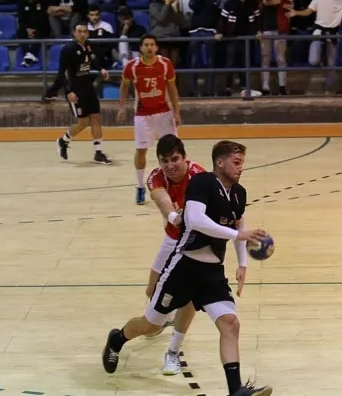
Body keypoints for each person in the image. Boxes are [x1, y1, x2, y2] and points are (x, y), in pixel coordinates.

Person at [101, 141, 272, 396]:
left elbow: (239, 225)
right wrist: (238, 235)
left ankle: (236, 391)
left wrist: (243, 264)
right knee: (150, 325)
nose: (241, 168)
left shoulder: (238, 193)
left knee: (230, 324)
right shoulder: (202, 182)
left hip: (212, 273)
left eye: (242, 163)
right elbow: (196, 220)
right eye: (236, 163)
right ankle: (117, 339)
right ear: (220, 162)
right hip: (183, 267)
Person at [142, 134, 205, 374]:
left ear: (185, 158)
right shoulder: (156, 178)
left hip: (194, 244)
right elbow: (163, 202)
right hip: (172, 237)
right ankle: (161, 319)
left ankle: (173, 349)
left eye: (175, 159)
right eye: (164, 160)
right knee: (152, 291)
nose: (170, 165)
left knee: (188, 297)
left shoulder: (199, 177)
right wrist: (175, 217)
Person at [118, 35, 182, 205]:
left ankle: (175, 186)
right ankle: (140, 187)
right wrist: (122, 107)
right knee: (141, 150)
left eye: (152, 44)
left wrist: (176, 112)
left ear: (156, 47)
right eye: (146, 45)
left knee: (173, 151)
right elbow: (124, 86)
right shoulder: (132, 66)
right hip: (142, 115)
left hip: (164, 114)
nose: (149, 47)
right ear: (141, 48)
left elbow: (172, 88)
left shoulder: (165, 64)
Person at [56, 22, 112, 164]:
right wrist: (68, 91)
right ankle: (63, 140)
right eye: (79, 31)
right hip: (75, 89)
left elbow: (94, 60)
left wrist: (101, 69)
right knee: (83, 122)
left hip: (88, 87)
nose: (82, 34)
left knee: (96, 117)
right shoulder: (67, 49)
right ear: (74, 33)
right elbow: (61, 73)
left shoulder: (89, 45)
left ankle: (98, 152)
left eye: (85, 31)